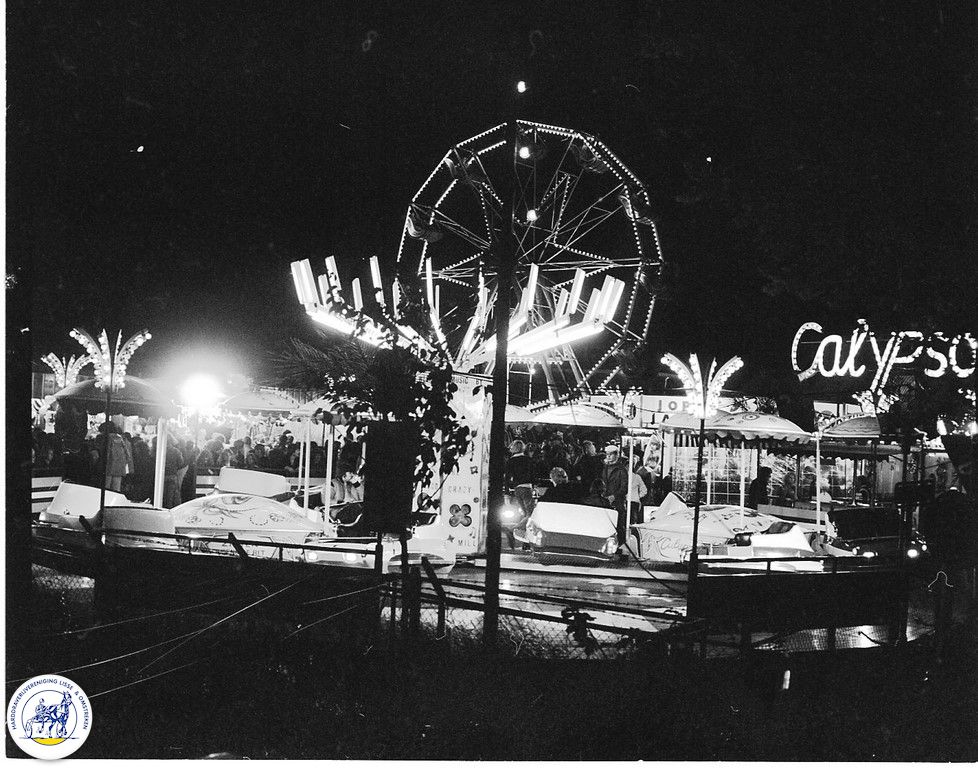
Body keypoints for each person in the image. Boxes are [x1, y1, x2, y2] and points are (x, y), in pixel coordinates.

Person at [601, 444, 630, 542]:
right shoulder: (604, 468)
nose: (608, 456)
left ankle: (621, 544)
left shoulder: (621, 470)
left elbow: (624, 487)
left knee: (618, 525)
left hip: (617, 503)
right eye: (607, 454)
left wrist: (614, 496)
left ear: (616, 455)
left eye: (611, 454)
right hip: (605, 501)